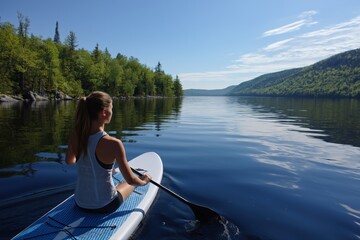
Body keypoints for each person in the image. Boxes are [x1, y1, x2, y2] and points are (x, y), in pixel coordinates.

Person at [65, 91, 151, 213]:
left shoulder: (76, 135)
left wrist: (88, 160)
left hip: (80, 202)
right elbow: (131, 180)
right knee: (131, 182)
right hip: (105, 205)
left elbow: (69, 161)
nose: (112, 112)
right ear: (104, 112)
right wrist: (144, 181)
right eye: (111, 108)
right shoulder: (114, 144)